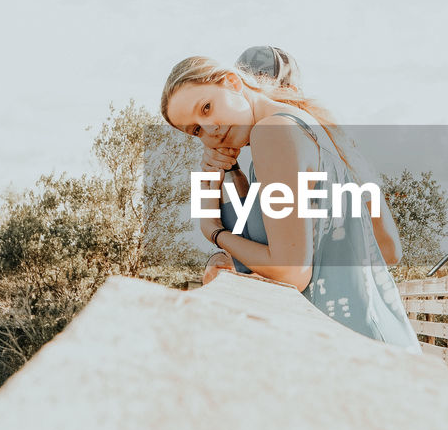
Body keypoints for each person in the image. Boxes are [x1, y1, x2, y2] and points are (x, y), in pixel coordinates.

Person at [160, 55, 421, 350]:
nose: (211, 131)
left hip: (353, 349)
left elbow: (291, 272)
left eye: (206, 108)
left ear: (232, 82)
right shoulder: (312, 131)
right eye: (196, 131)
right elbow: (388, 250)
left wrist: (213, 232)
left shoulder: (271, 133)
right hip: (371, 340)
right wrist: (221, 173)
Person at [201, 46, 403, 283]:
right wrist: (219, 169)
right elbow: (254, 241)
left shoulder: (326, 151)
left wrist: (215, 233)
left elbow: (388, 251)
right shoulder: (271, 158)